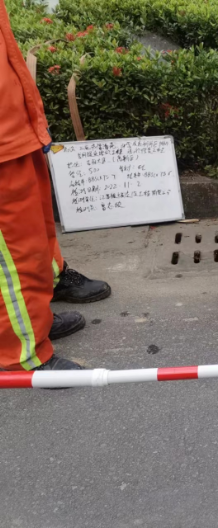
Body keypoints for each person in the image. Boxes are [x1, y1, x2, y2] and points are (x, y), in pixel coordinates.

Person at [0, 0, 111, 372]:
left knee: (34, 235)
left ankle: (38, 311)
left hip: (15, 129)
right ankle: (19, 355)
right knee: (8, 257)